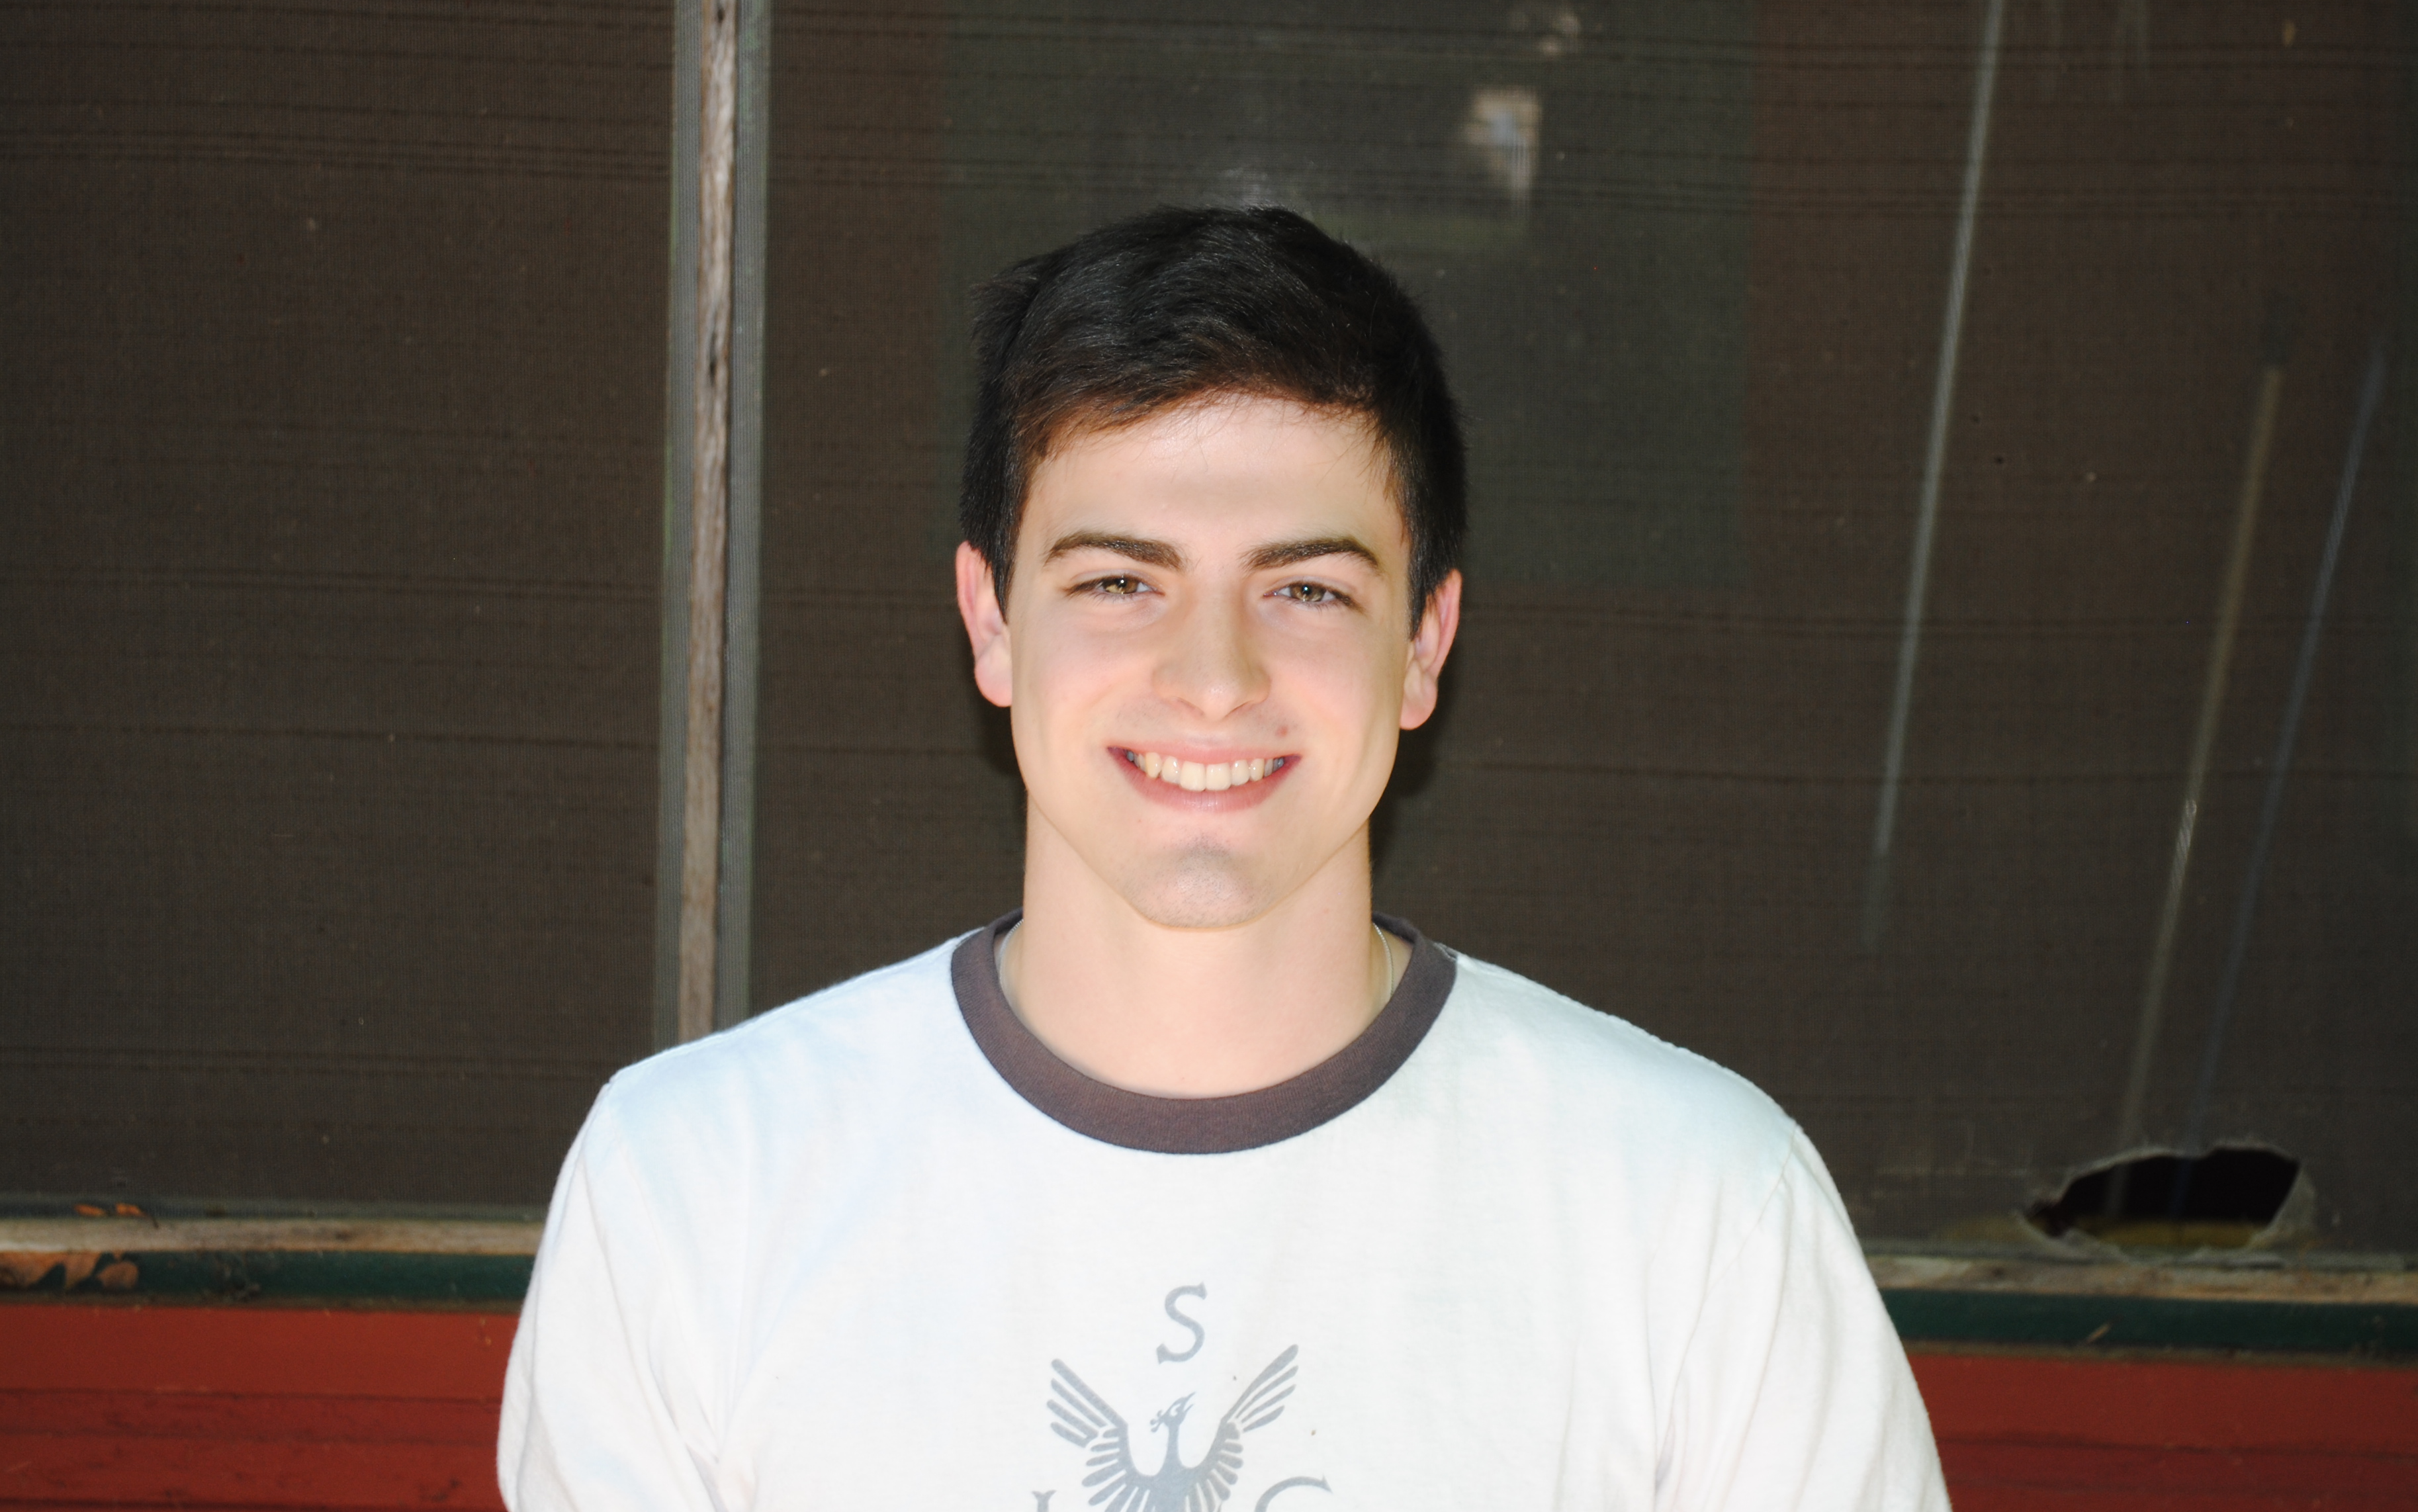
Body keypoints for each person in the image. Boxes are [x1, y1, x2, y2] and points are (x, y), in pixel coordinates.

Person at [499, 206, 1948, 1509]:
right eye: (1119, 581)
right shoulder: (694, 1187)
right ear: (991, 623)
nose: (1211, 679)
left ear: (1423, 644)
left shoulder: (1701, 1209)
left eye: (1304, 589)